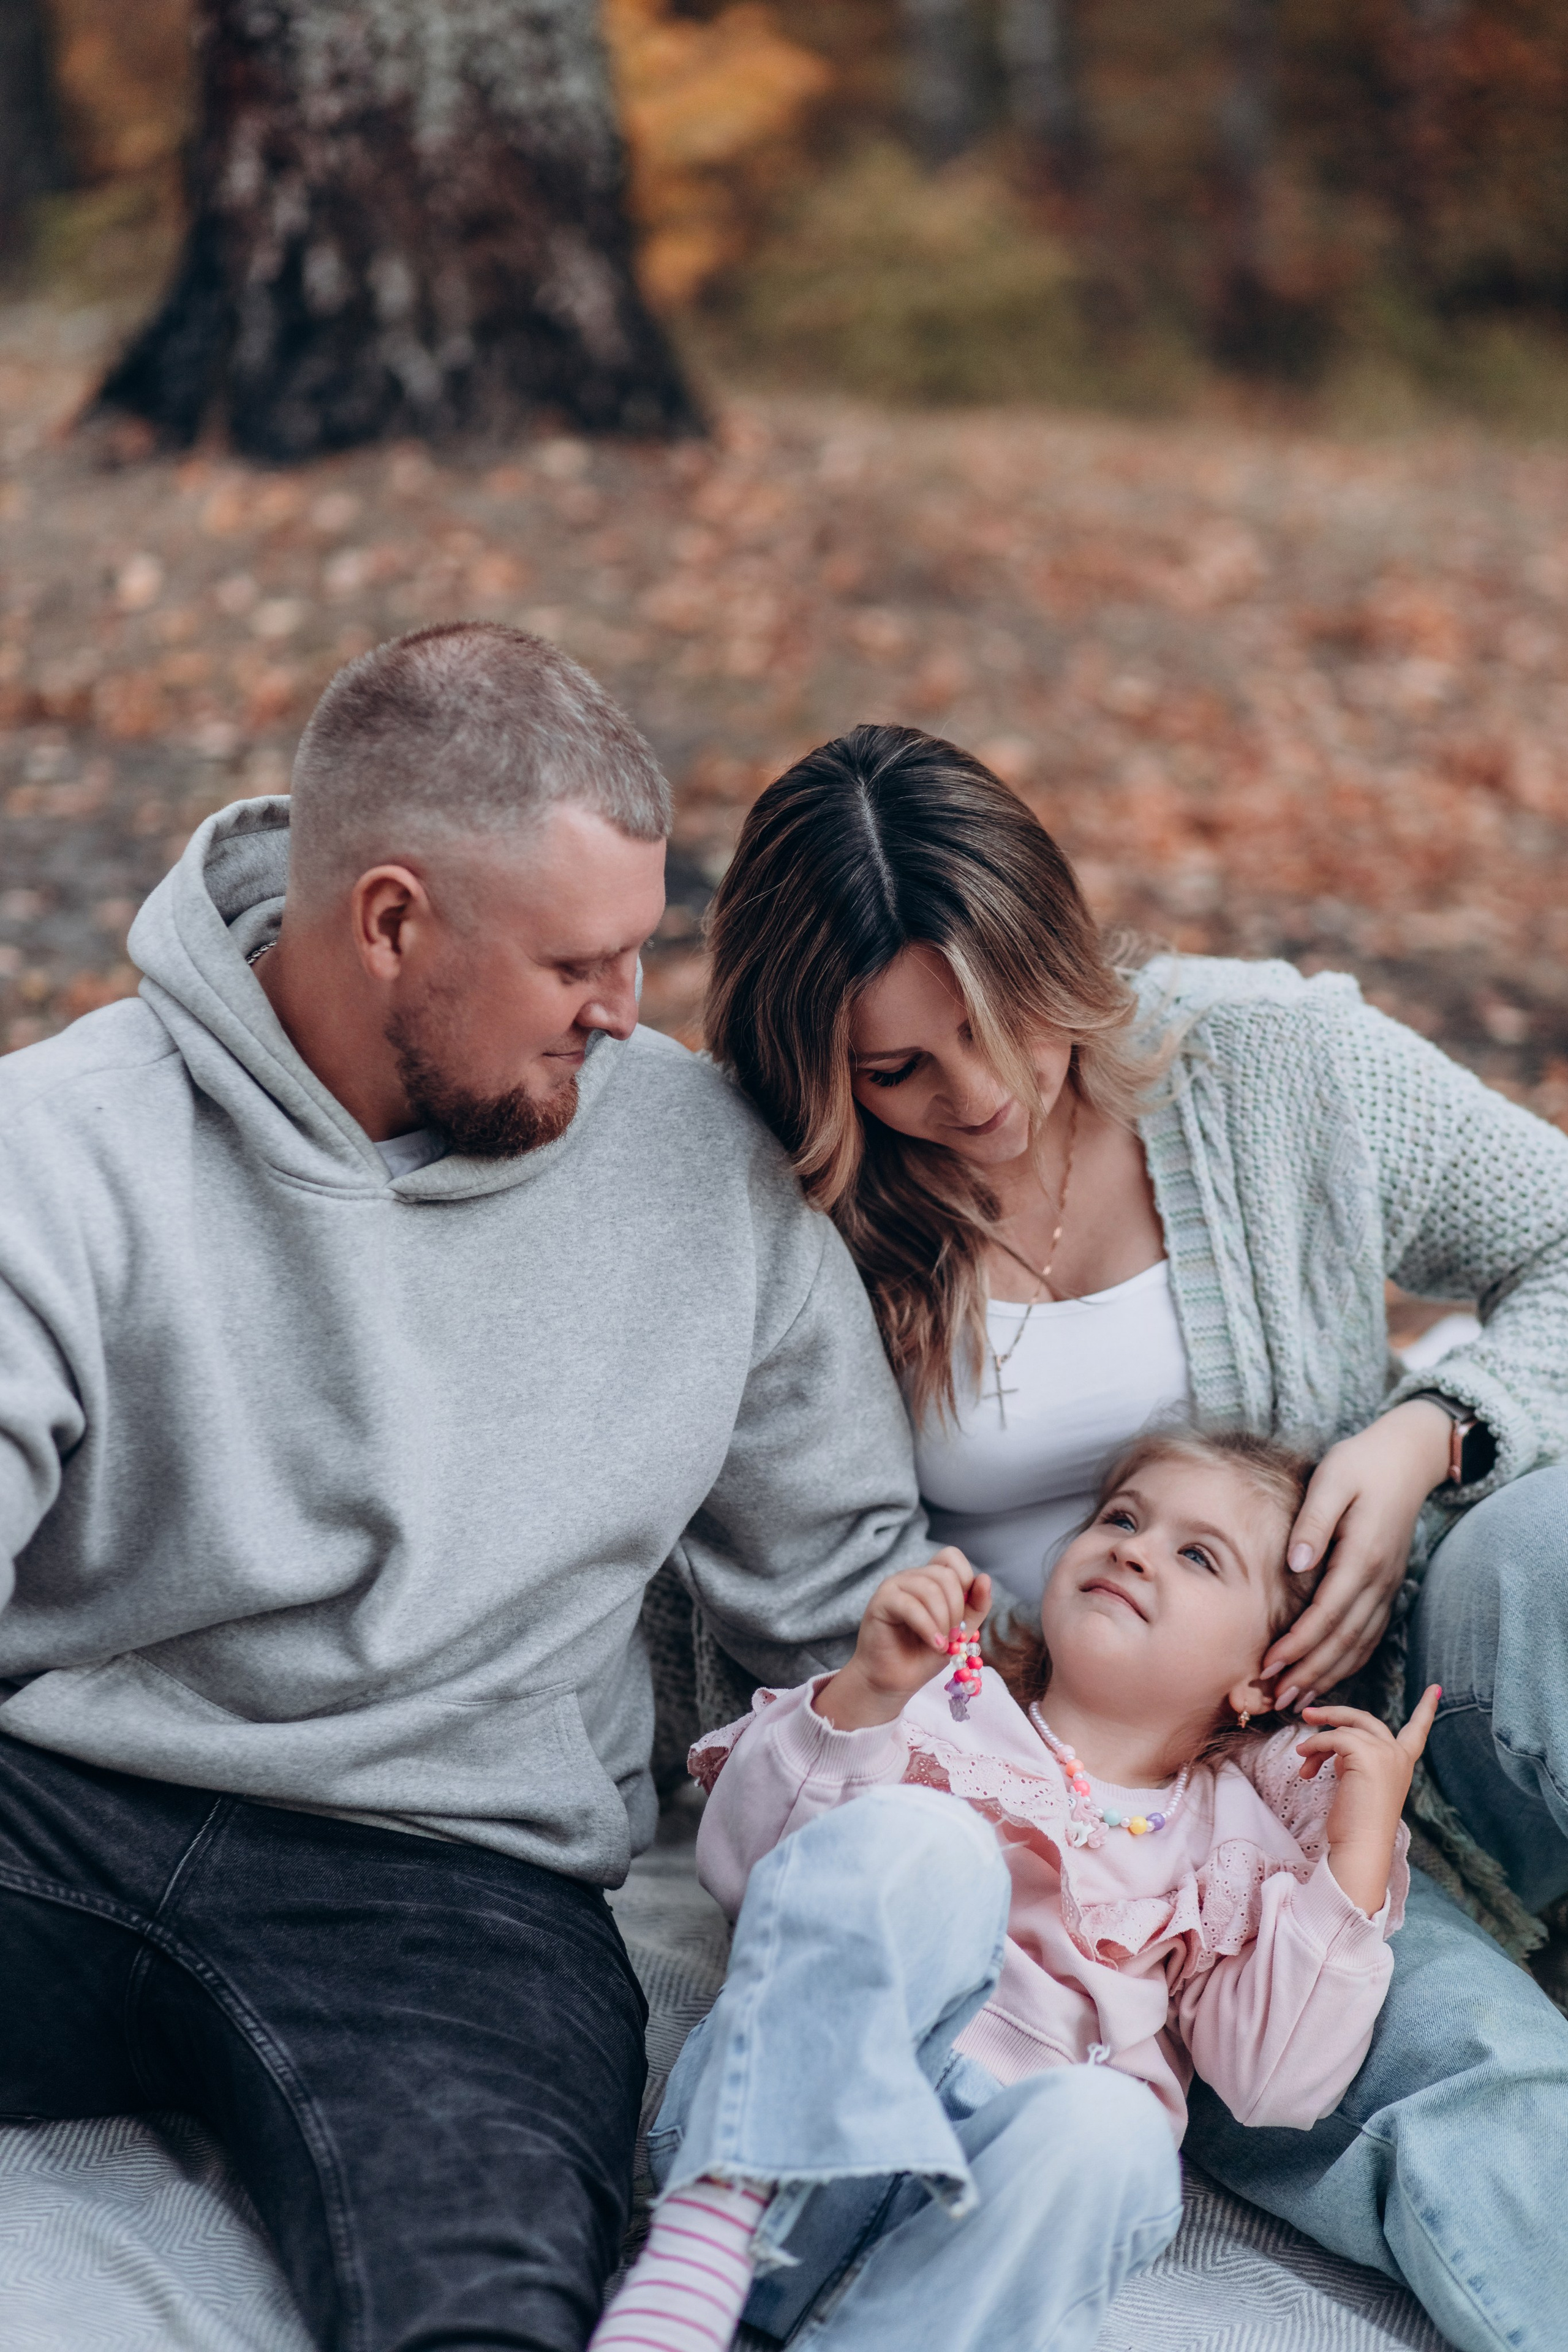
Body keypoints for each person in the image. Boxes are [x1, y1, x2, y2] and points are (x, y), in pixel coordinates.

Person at [0, 629, 941, 2352]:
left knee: (484, 2317)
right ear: (387, 921)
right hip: (56, 1808)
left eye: (640, 949)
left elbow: (847, 1598)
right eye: (576, 961)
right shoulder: (59, 1152)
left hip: (449, 1886)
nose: (627, 1009)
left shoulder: (704, 1176)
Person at [701, 720, 1568, 2352]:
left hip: (1361, 1696)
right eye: (898, 1069)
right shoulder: (795, 1215)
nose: (984, 1097)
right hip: (1104, 1820)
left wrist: (1430, 1430)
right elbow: (790, 1604)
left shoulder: (1264, 1066)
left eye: (1003, 1019)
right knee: (1479, 2079)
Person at [594, 1427, 1439, 2352]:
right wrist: (867, 1693)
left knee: (1115, 2133)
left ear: (1265, 1673)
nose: (1134, 1548)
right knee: (928, 1842)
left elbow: (1274, 2080)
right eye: (1121, 1517)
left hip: (974, 2228)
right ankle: (703, 2242)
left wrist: (1353, 1857)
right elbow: (758, 1873)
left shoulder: (1233, 1844)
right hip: (797, 2140)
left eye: (1197, 1555)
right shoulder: (942, 1711)